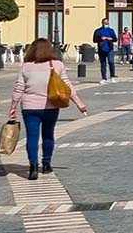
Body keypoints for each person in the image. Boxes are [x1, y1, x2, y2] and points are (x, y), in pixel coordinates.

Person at [9, 38, 88, 180]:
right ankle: (46, 164)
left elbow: (19, 87)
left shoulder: (26, 66)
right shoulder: (57, 65)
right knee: (48, 135)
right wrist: (79, 104)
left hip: (29, 107)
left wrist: (13, 106)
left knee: (32, 137)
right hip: (51, 106)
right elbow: (67, 86)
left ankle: (33, 166)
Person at [93, 18, 118, 84]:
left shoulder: (111, 30)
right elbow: (94, 39)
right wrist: (101, 38)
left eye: (107, 23)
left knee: (111, 62)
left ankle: (112, 77)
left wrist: (111, 39)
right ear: (102, 23)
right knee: (103, 64)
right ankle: (104, 78)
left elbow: (115, 39)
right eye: (105, 23)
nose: (106, 24)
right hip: (101, 49)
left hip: (110, 48)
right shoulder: (98, 31)